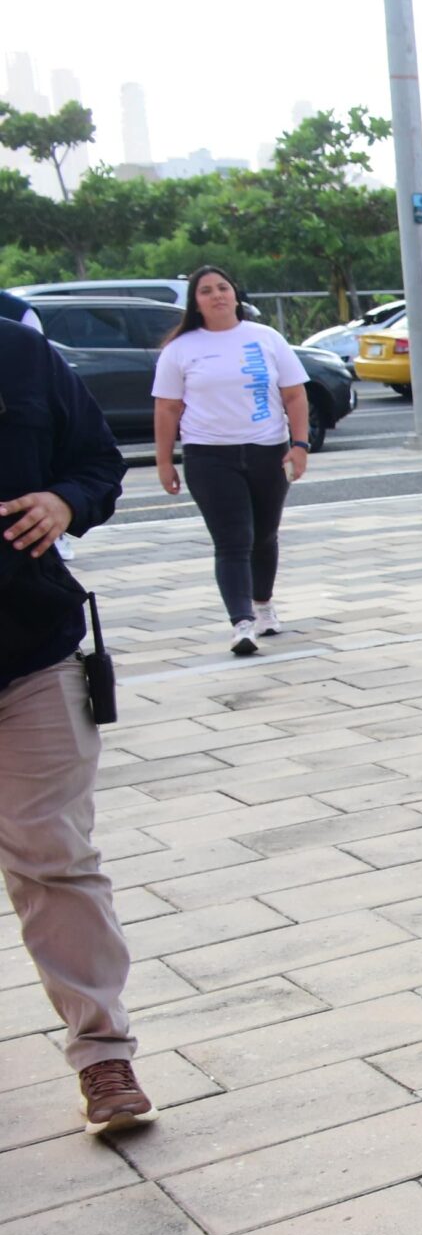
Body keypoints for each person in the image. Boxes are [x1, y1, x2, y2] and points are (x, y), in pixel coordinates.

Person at [0, 317, 151, 1132]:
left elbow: (97, 464)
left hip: (30, 647)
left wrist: (65, 501)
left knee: (54, 856)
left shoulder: (18, 353)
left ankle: (104, 1057)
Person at [151, 265, 311, 656]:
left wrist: (300, 444)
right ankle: (242, 623)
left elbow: (294, 395)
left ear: (235, 295)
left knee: (264, 535)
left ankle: (263, 605)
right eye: (206, 291)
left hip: (267, 451)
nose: (216, 295)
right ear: (196, 302)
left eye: (223, 287)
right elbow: (167, 408)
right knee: (232, 540)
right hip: (209, 456)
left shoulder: (266, 338)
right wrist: (164, 461)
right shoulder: (180, 349)